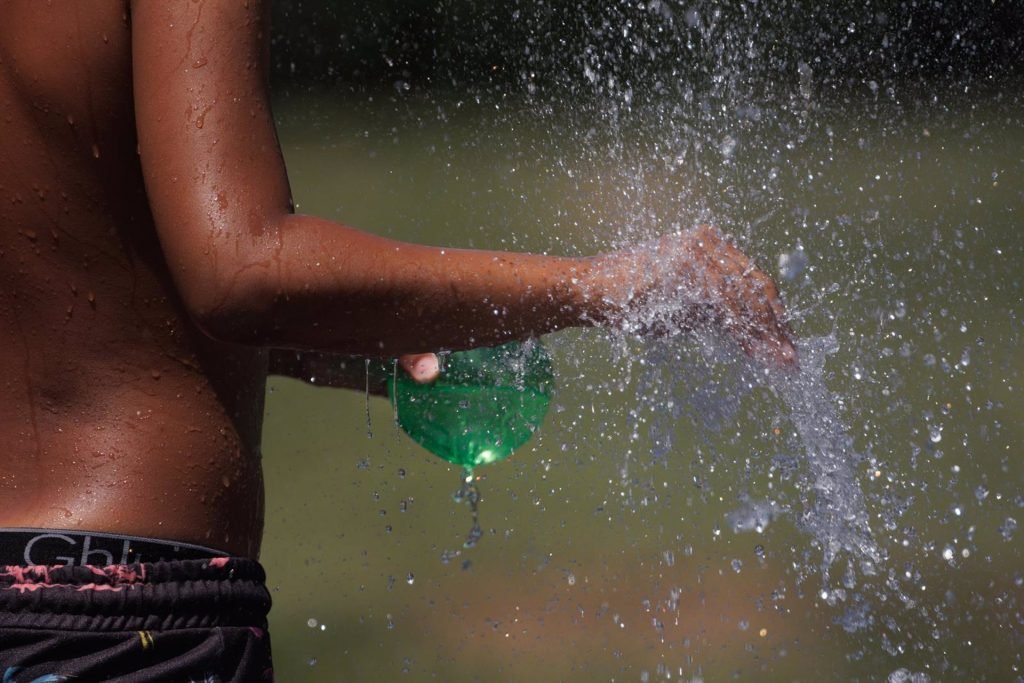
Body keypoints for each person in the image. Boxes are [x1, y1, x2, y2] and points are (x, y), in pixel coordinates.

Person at [0, 1, 795, 680]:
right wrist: (603, 286)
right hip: (126, 623)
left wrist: (343, 339)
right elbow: (241, 268)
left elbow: (75, 267)